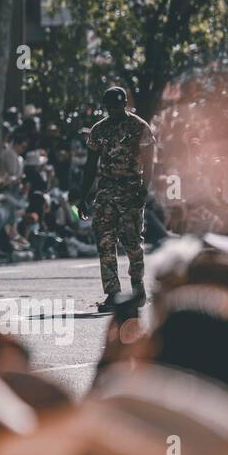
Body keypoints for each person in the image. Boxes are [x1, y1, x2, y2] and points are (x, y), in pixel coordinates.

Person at [79, 86, 155, 312]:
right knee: (105, 241)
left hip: (131, 190)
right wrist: (82, 196)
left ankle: (138, 289)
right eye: (110, 107)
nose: (113, 111)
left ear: (125, 105)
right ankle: (113, 293)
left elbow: (149, 161)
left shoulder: (140, 126)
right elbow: (90, 165)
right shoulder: (99, 130)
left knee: (132, 242)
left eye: (117, 107)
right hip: (106, 192)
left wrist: (144, 190)